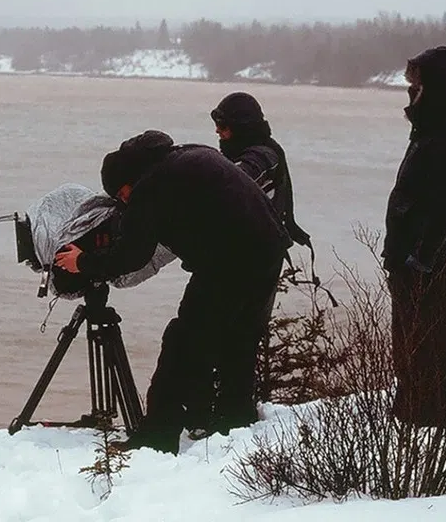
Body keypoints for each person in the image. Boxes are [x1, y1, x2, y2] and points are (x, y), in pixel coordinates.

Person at [53, 130, 292, 453]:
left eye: (122, 195)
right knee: (238, 340)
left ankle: (156, 438)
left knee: (182, 342)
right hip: (267, 248)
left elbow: (131, 256)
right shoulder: (188, 155)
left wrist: (83, 261)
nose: (124, 201)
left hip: (230, 260)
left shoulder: (151, 185)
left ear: (129, 180)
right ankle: (234, 426)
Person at [382, 45, 446, 427]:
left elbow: (444, 211)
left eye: (419, 86)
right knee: (418, 341)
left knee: (426, 342)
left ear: (439, 89)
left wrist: (418, 261)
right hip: (425, 260)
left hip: (430, 265)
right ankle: (418, 406)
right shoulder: (439, 128)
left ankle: (429, 414)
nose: (411, 94)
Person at [210, 92, 312, 250]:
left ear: (241, 127)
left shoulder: (264, 155)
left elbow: (238, 177)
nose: (217, 130)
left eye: (222, 125)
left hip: (254, 255)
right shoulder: (245, 151)